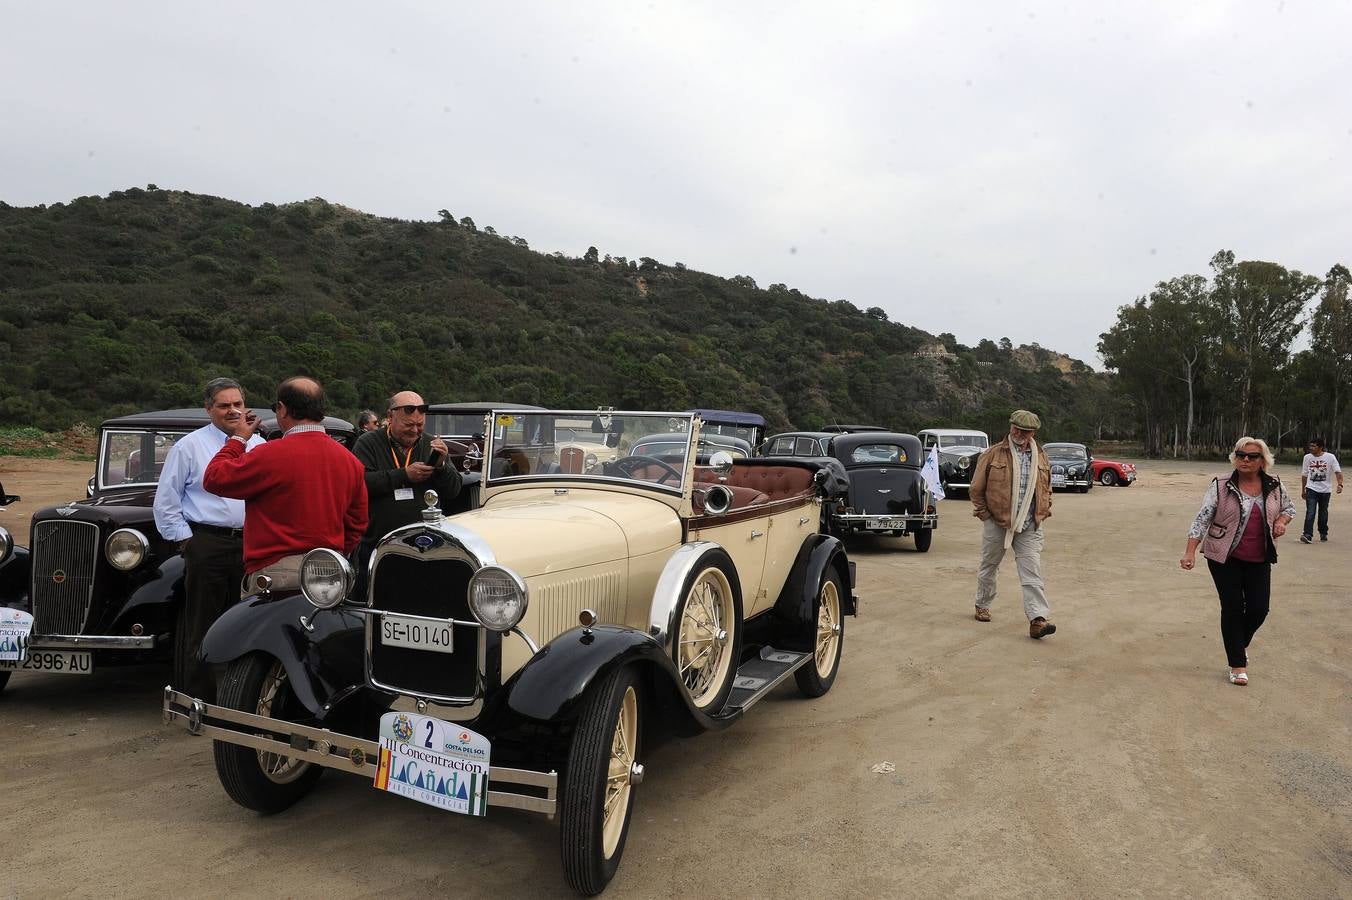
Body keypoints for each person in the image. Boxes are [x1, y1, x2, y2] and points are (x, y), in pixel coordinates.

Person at [153, 377, 266, 697]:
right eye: (224, 405)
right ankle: (196, 701)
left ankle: (240, 699)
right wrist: (189, 542)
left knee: (250, 621)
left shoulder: (260, 446)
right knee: (202, 625)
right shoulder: (189, 447)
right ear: (208, 409)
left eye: (238, 404)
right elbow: (166, 501)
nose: (233, 411)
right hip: (208, 544)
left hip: (252, 544)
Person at [203, 376, 368, 594]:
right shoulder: (350, 461)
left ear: (281, 409)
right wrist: (332, 553)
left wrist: (238, 439)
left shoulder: (268, 454)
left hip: (276, 570)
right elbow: (357, 522)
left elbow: (214, 478)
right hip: (329, 573)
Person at [1180, 437, 1295, 686]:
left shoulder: (1274, 485)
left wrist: (1281, 522)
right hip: (1224, 557)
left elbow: (1289, 509)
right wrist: (1190, 552)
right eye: (1240, 454)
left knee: (1258, 609)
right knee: (1232, 608)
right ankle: (1237, 664)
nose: (1245, 459)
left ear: (1263, 461)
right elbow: (1202, 518)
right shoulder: (1221, 485)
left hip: (1260, 557)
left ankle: (1237, 644)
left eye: (1251, 456)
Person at [350, 391, 462, 580]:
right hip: (378, 545)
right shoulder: (368, 442)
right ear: (390, 417)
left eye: (420, 425)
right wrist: (404, 475)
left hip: (427, 547)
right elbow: (359, 483)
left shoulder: (431, 444)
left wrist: (441, 466)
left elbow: (454, 490)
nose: (415, 431)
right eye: (408, 425)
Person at [969, 409, 1057, 639]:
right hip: (997, 522)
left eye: (1025, 431)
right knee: (990, 566)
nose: (1019, 433)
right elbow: (976, 489)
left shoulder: (1042, 456)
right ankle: (982, 604)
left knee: (1032, 571)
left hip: (1030, 524)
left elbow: (1047, 487)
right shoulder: (992, 454)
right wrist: (985, 515)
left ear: (1033, 432)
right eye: (1016, 428)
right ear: (1010, 426)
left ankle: (1037, 619)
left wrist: (1044, 509)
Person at [1299, 437, 1343, 543]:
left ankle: (1323, 532)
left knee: (1323, 513)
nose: (1311, 448)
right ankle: (1307, 534)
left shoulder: (1330, 457)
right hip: (1311, 489)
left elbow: (1338, 472)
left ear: (1320, 447)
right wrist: (1303, 490)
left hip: (1325, 490)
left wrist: (1340, 484)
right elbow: (1304, 475)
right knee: (1310, 512)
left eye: (1314, 446)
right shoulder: (1307, 457)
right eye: (1310, 446)